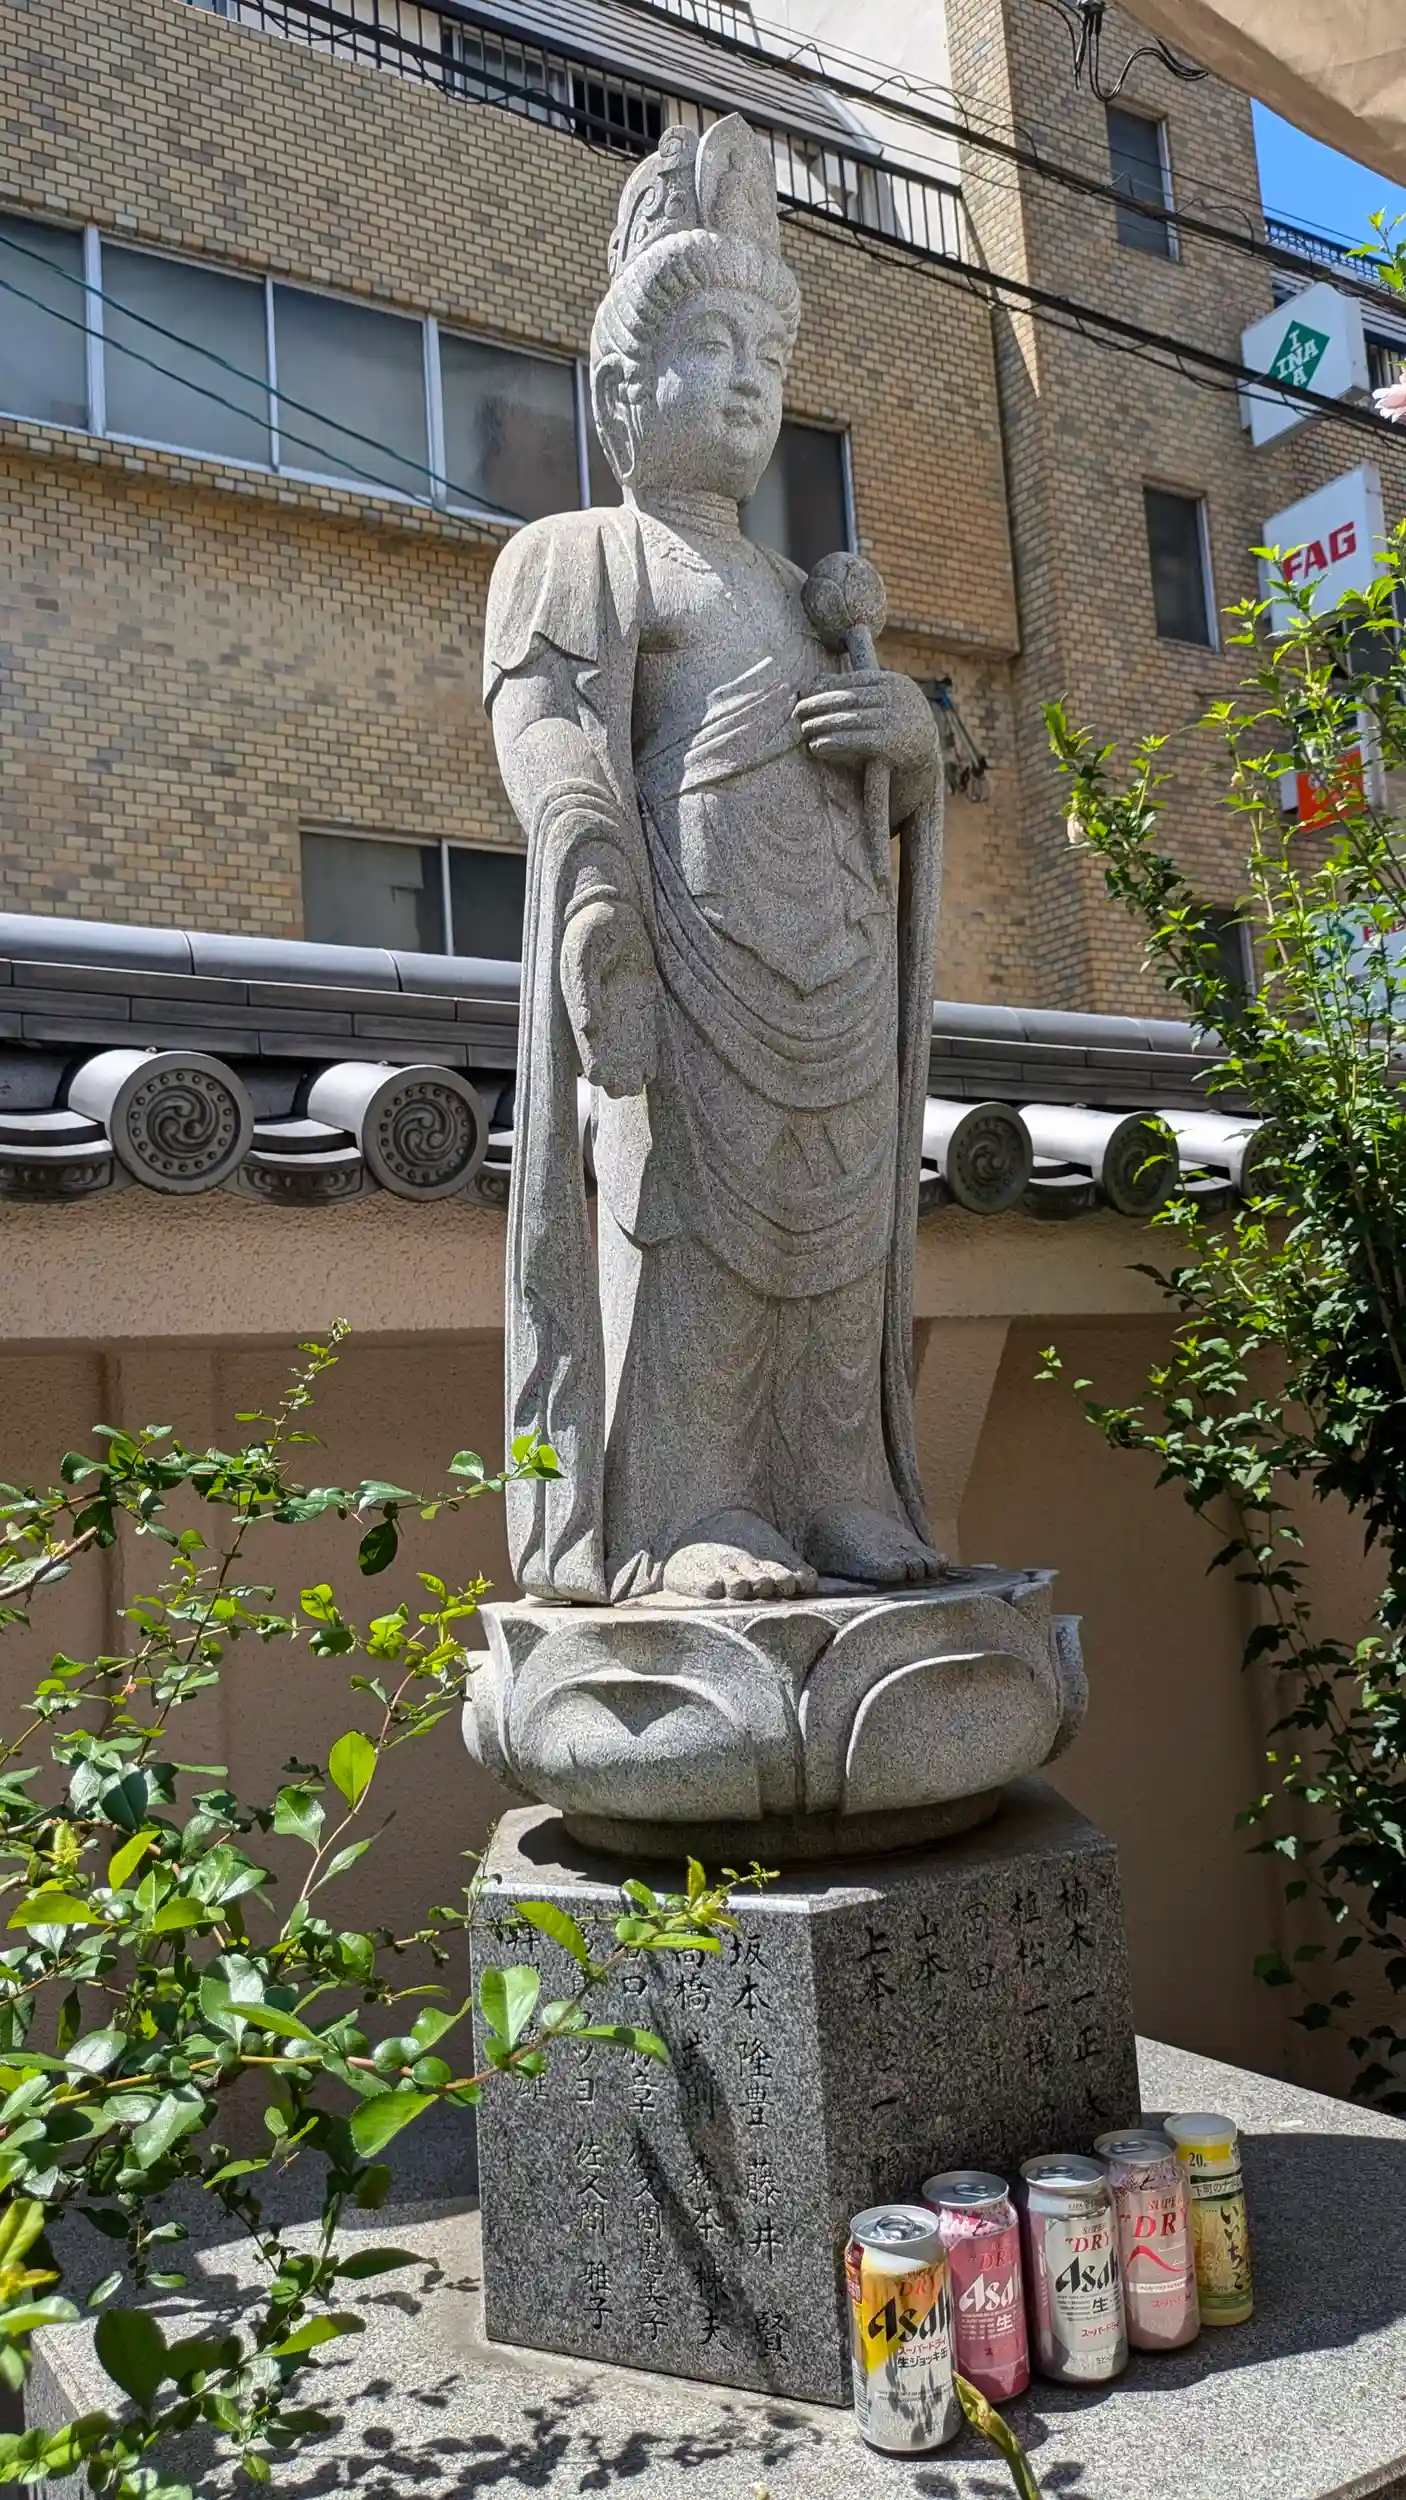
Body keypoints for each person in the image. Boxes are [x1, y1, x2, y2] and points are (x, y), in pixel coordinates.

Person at [484, 115, 944, 1605]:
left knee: (839, 1236)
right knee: (689, 1227)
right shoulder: (582, 555)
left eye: (770, 356)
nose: (750, 381)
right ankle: (689, 1504)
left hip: (833, 961)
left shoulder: (807, 594)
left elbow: (881, 785)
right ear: (623, 390)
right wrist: (596, 906)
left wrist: (911, 747)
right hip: (686, 953)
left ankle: (837, 1489)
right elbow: (552, 736)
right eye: (712, 347)